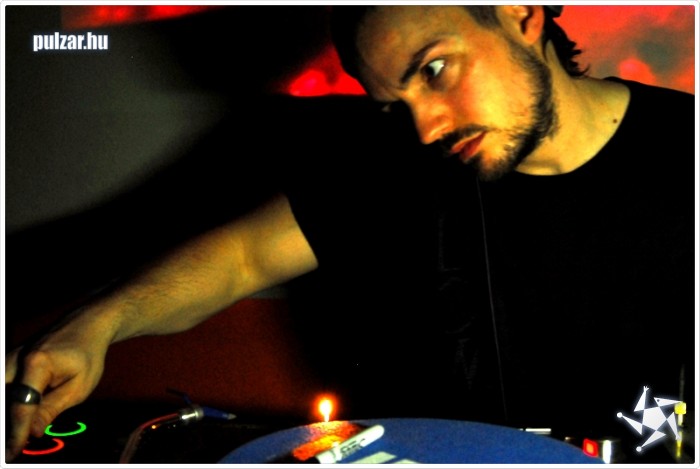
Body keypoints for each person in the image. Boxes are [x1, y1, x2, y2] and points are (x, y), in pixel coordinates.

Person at [5, 4, 694, 462]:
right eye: (397, 103)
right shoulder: (401, 167)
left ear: (521, 13)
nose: (426, 127)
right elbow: (241, 257)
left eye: (434, 69)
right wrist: (95, 326)